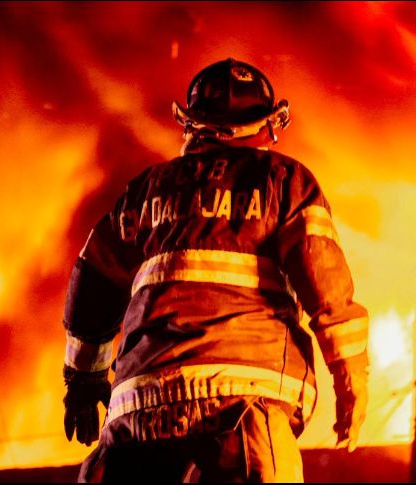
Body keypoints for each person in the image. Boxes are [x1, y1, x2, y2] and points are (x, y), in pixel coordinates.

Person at [61, 58, 370, 483]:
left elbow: (92, 284)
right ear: (268, 124)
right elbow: (326, 286)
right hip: (246, 403)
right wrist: (351, 379)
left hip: (140, 410)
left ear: (191, 125)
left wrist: (83, 379)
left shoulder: (145, 192)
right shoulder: (284, 182)